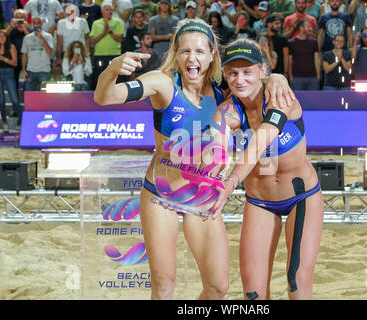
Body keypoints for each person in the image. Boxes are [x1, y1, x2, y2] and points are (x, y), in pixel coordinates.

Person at [94, 18, 296, 300]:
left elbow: (256, 83)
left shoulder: (221, 92)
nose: (192, 58)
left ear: (212, 55)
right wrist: (112, 70)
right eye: (185, 51)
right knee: (164, 285)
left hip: (202, 196)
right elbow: (105, 97)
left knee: (218, 287)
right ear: (175, 54)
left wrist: (277, 76)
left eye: (200, 51)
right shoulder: (162, 84)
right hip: (161, 195)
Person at [213, 38, 324, 300]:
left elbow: (260, 142)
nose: (240, 80)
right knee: (253, 294)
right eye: (233, 73)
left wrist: (231, 181)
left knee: (297, 283)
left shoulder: (281, 97)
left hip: (302, 197)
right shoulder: (229, 109)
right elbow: (217, 140)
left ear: (263, 71)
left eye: (247, 72)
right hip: (260, 201)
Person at [90, 0, 125, 89]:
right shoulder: (96, 23)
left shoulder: (118, 22)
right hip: (99, 55)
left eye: (110, 10)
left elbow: (119, 39)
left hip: (115, 55)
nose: (109, 12)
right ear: (102, 11)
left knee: (116, 79)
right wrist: (103, 32)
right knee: (100, 78)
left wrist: (109, 30)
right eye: (107, 10)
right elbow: (93, 41)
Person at [21, 15, 54, 91]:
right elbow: (24, 55)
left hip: (44, 70)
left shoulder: (48, 36)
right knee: (29, 95)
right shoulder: (27, 38)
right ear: (32, 24)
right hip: (30, 70)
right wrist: (23, 70)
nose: (36, 25)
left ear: (42, 23)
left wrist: (42, 38)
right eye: (34, 23)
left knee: (46, 97)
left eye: (38, 23)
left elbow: (49, 52)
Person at [288, 18, 320, 90]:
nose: (311, 29)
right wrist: (290, 76)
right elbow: (289, 61)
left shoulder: (314, 42)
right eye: (308, 27)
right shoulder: (291, 43)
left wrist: (318, 76)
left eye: (311, 27)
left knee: (313, 100)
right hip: (297, 77)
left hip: (313, 77)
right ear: (301, 28)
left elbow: (317, 59)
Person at [0, 30, 22, 132]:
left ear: (6, 37)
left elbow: (15, 63)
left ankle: (21, 121)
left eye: (3, 36)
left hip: (9, 74)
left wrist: (3, 59)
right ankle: (4, 123)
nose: (1, 38)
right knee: (1, 101)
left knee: (15, 100)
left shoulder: (11, 47)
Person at [6, 9, 32, 91]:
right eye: (17, 17)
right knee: (14, 82)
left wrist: (25, 29)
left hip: (28, 58)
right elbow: (3, 38)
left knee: (29, 82)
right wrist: (10, 26)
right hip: (14, 58)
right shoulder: (11, 29)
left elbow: (33, 40)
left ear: (26, 18)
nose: (19, 20)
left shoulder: (30, 29)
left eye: (22, 17)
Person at [266, 14, 290, 78]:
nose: (279, 26)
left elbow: (286, 57)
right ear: (269, 24)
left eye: (279, 23)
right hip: (266, 72)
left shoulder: (283, 39)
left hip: (280, 72)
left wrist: (285, 72)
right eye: (276, 23)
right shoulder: (263, 38)